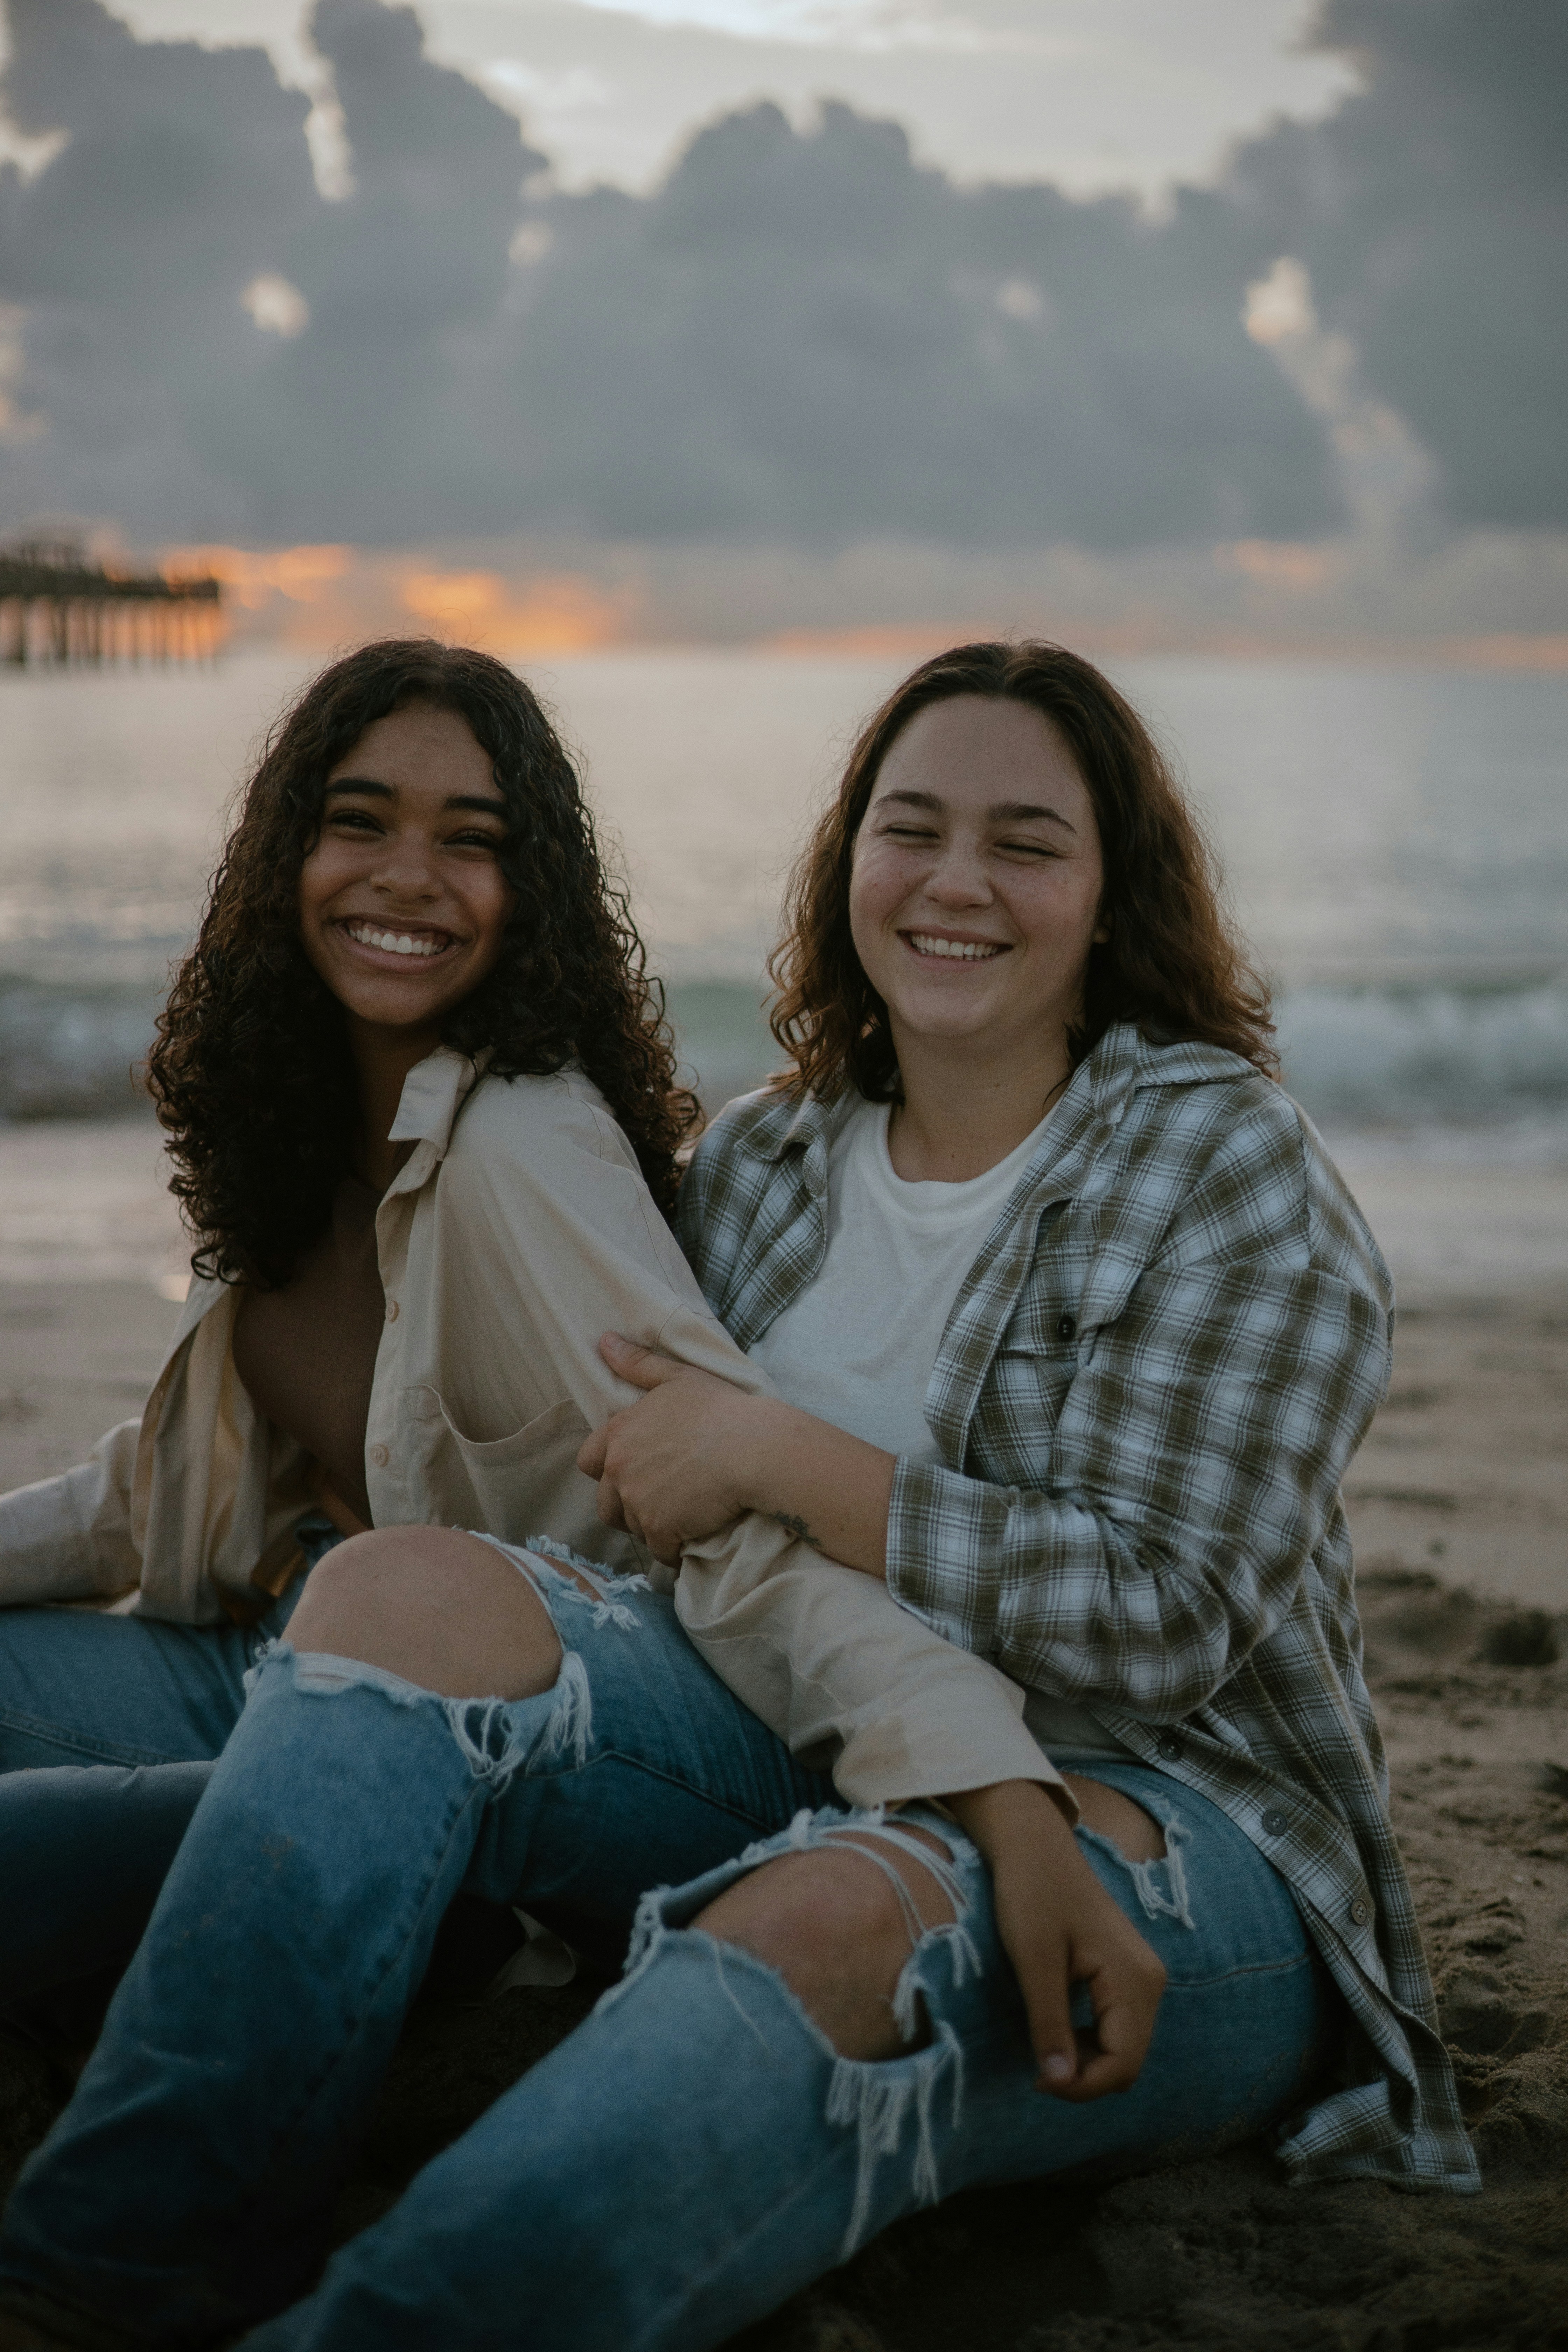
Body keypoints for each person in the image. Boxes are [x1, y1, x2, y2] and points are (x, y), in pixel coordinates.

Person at [0, 642, 1476, 2352]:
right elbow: (642, 1516)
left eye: (1026, 842)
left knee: (821, 1920)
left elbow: (1157, 1625)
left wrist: (783, 1459)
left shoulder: (1218, 1162)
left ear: (1110, 891)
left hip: (1160, 1815)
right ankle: (105, 2274)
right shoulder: (767, 1166)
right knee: (403, 1588)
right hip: (804, 1733)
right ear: (847, 861)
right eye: (908, 827)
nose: (954, 882)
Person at [0, 634, 1087, 2040]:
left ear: (531, 896)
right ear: (285, 857)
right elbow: (155, 1488)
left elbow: (732, 1525)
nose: (406, 875)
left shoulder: (525, 1144)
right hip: (272, 1651)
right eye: (358, 822)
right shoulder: (290, 1133)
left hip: (494, 1741)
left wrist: (990, 1789)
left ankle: (436, 1935)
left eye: (472, 839)